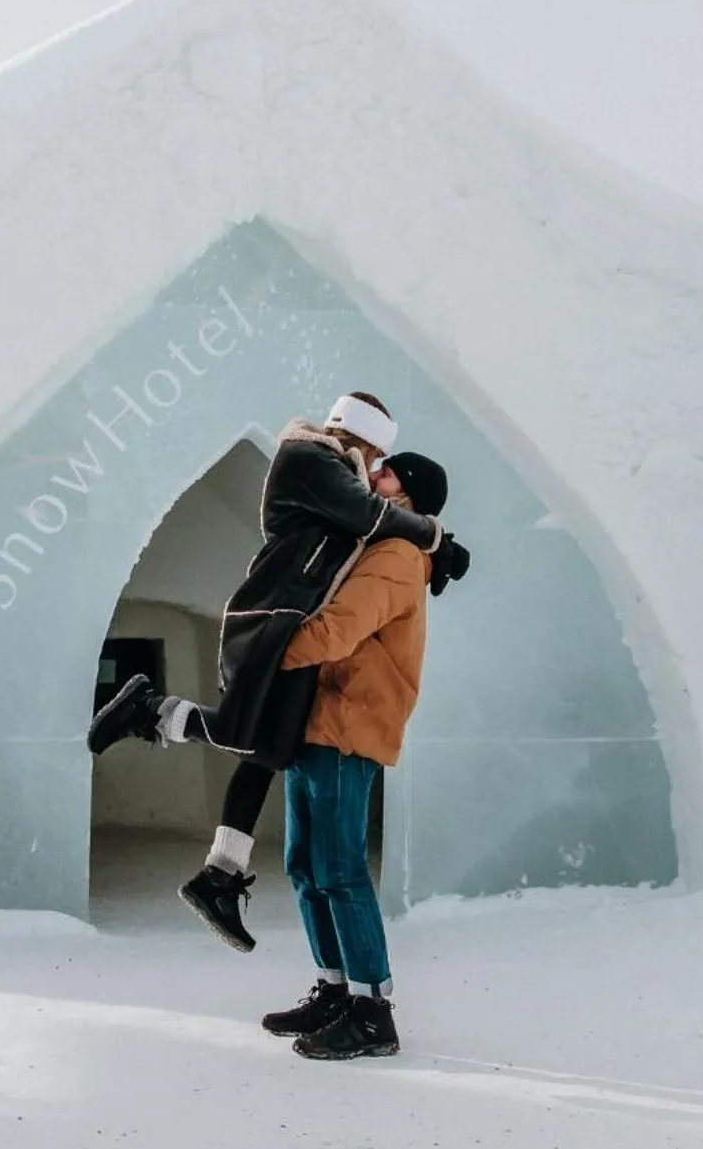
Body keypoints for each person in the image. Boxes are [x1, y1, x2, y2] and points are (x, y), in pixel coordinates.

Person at [85, 393, 470, 948]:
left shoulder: (362, 506)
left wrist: (434, 545)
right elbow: (368, 517)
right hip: (274, 622)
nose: (377, 469)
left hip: (292, 631)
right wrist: (434, 537)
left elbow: (378, 537)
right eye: (378, 456)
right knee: (253, 739)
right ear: (360, 438)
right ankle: (149, 711)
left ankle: (219, 873)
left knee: (265, 749)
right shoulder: (309, 459)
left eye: (389, 468)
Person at [261, 449, 450, 1059]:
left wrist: (262, 660)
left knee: (338, 866)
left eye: (387, 472)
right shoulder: (373, 542)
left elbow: (337, 629)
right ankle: (336, 989)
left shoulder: (396, 556)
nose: (373, 477)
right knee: (304, 863)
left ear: (411, 495)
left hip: (350, 722)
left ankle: (372, 1013)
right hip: (320, 718)